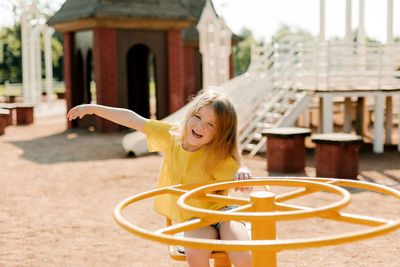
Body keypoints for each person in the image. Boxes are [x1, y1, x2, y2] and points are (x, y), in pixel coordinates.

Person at [67, 88, 252, 267]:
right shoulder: (171, 136)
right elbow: (133, 119)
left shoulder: (216, 155)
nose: (200, 126)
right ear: (190, 115)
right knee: (195, 254)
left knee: (243, 255)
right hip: (195, 218)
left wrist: (243, 172)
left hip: (224, 213)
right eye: (198, 117)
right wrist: (94, 108)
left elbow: (241, 175)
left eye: (211, 125)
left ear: (221, 134)